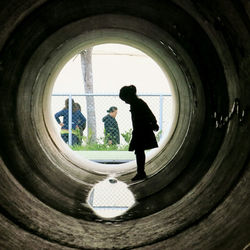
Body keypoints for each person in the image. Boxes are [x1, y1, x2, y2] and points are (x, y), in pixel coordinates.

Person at [119, 85, 159, 181]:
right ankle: (141, 172)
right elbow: (149, 114)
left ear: (129, 96)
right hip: (141, 130)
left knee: (139, 151)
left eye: (125, 99)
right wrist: (154, 123)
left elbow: (148, 114)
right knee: (139, 151)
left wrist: (153, 123)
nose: (125, 102)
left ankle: (141, 173)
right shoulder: (137, 103)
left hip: (142, 130)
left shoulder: (138, 104)